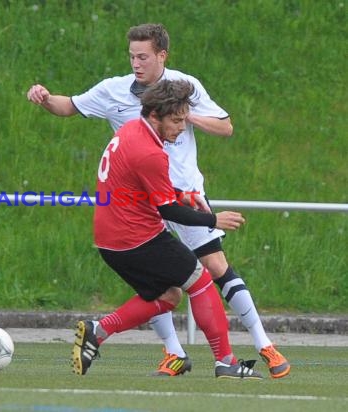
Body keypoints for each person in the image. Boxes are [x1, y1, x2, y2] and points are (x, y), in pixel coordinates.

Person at [27, 23, 290, 379]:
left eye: (143, 56)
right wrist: (45, 99)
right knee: (187, 281)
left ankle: (263, 344)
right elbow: (69, 106)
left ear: (162, 55)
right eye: (132, 56)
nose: (136, 63)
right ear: (157, 115)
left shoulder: (182, 89)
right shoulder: (118, 99)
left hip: (175, 196)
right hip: (146, 206)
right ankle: (188, 355)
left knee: (200, 275)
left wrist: (185, 113)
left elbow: (226, 127)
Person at [72, 79, 262, 379]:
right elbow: (168, 211)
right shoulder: (151, 152)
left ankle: (99, 330)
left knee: (168, 296)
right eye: (176, 121)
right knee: (200, 281)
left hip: (111, 241)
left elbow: (147, 187)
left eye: (184, 120)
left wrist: (184, 195)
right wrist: (214, 220)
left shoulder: (129, 131)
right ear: (154, 116)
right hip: (137, 238)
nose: (181, 128)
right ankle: (226, 361)